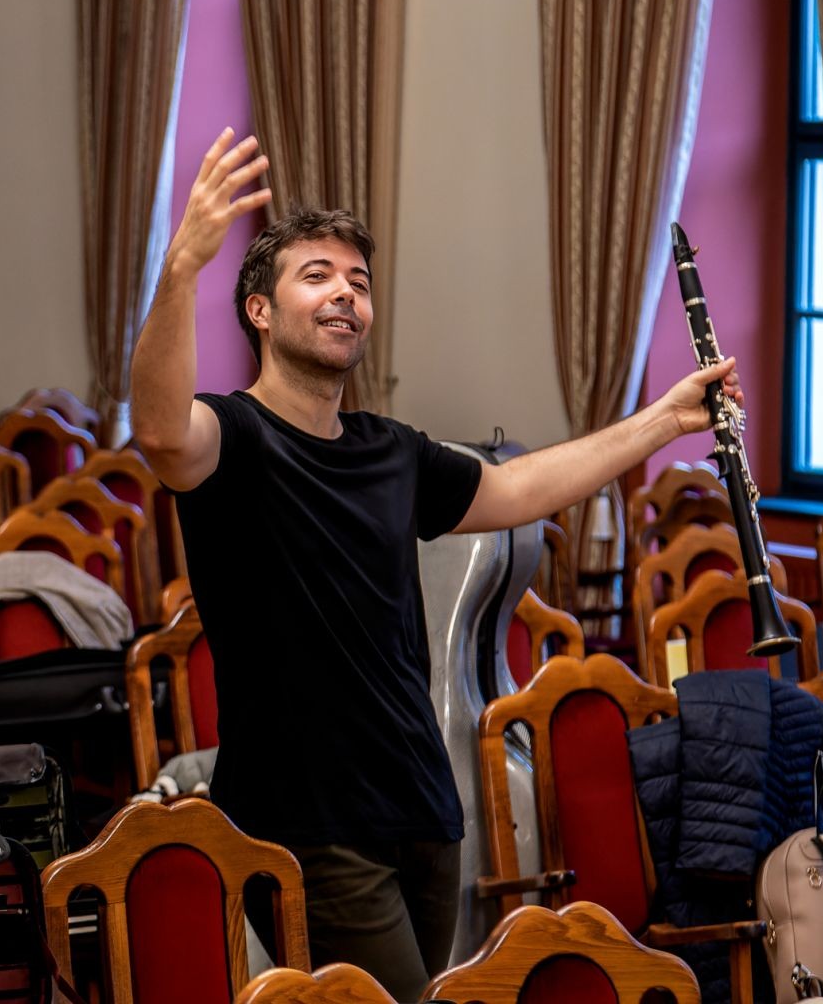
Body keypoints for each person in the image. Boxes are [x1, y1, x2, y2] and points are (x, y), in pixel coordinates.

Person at [129, 129, 744, 998]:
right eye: (317, 276)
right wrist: (182, 267)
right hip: (307, 823)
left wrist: (663, 421)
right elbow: (160, 431)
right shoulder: (231, 438)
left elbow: (517, 489)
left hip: (422, 808)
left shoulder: (390, 450)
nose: (345, 294)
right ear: (259, 311)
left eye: (358, 282)